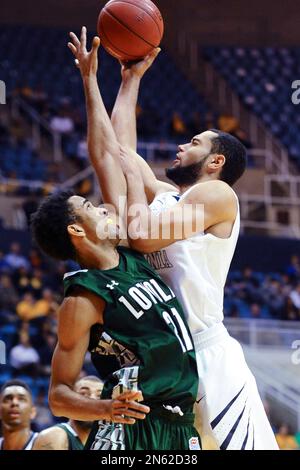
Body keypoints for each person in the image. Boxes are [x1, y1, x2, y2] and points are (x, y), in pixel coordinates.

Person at [67, 28, 278, 450]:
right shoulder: (167, 199)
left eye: (194, 143)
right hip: (165, 356)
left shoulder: (218, 195)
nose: (182, 146)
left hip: (208, 351)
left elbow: (142, 235)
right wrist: (129, 81)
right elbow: (119, 153)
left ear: (216, 161)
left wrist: (128, 195)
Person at [31, 28, 201, 450]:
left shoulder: (128, 254)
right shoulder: (82, 299)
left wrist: (106, 81)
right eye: (91, 208)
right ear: (76, 231)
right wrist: (105, 410)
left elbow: (109, 154)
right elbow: (59, 394)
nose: (105, 208)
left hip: (178, 425)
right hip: (133, 430)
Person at [33, 376, 103, 450]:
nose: (92, 399)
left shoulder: (103, 442)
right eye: (83, 394)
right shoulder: (55, 436)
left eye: (99, 396)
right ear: (69, 401)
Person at [0, 380, 38, 450]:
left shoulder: (45, 443)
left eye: (21, 399)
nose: (14, 403)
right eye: (8, 399)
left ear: (32, 412)